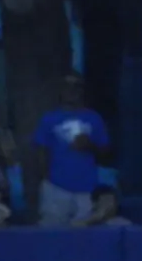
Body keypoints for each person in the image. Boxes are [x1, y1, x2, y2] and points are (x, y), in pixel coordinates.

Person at [34, 72, 113, 226]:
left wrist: (89, 146)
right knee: (52, 236)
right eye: (67, 86)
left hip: (87, 189)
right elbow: (40, 151)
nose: (72, 90)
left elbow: (106, 153)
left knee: (85, 237)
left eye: (77, 86)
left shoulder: (94, 118)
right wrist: (47, 180)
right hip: (56, 188)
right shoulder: (49, 119)